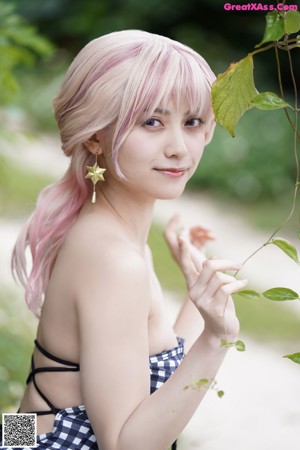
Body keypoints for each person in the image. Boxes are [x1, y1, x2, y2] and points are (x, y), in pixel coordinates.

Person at [1, 29, 247, 450]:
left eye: (192, 122)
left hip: (26, 437)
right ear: (95, 135)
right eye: (152, 122)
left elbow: (145, 371)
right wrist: (218, 339)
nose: (178, 148)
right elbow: (125, 443)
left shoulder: (108, 229)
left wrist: (200, 302)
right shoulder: (114, 260)